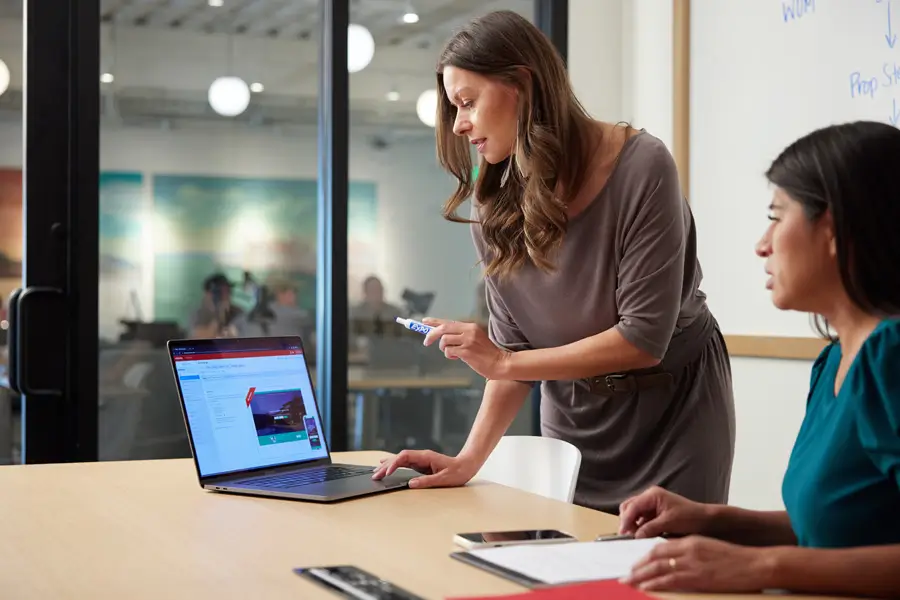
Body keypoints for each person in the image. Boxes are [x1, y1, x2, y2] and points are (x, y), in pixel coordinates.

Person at [373, 10, 736, 514]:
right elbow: (515, 356)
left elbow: (643, 337)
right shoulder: (492, 205)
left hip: (675, 411)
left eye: (467, 102)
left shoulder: (642, 166)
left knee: (668, 577)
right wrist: (467, 460)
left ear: (521, 82)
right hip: (575, 419)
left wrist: (502, 360)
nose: (459, 124)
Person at [618, 121, 900, 598]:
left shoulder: (889, 356)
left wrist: (762, 568)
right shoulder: (834, 360)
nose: (762, 244)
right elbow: (844, 528)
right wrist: (711, 519)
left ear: (834, 228)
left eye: (777, 215)